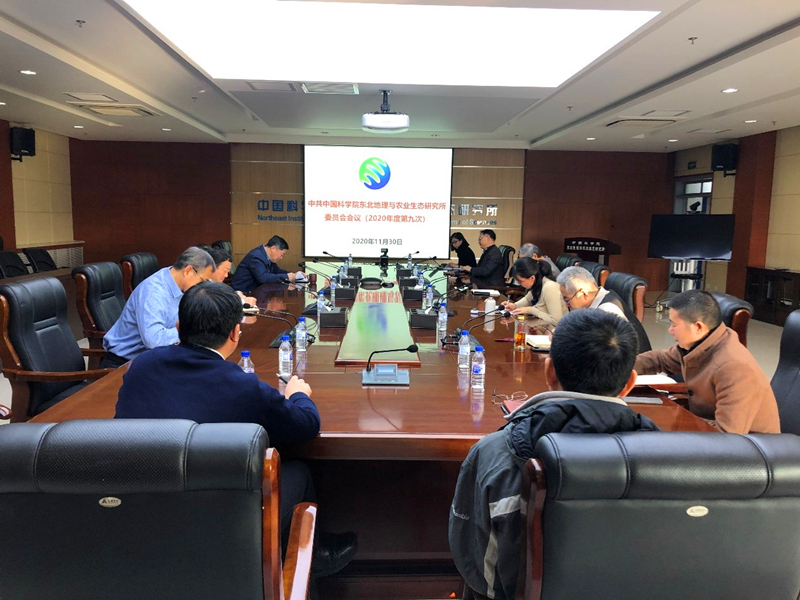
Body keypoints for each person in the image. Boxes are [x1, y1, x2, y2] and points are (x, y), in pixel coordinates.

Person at [115, 282, 357, 576]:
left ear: (178, 326)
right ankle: (309, 559)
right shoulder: (241, 386)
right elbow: (306, 425)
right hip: (217, 520)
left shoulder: (141, 366)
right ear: (234, 333)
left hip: (137, 515)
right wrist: (298, 395)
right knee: (298, 472)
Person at [449, 310, 659, 600]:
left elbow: (473, 561)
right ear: (630, 383)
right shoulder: (667, 455)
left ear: (549, 371)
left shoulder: (494, 452)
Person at [635, 289, 780, 434]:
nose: (670, 330)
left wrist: (680, 419)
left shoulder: (733, 367)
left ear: (698, 327)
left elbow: (728, 435)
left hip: (751, 445)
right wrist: (623, 365)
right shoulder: (702, 344)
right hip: (710, 435)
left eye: (674, 325)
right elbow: (659, 359)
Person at [101, 246, 215, 368]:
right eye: (202, 281)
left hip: (155, 359)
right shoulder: (154, 292)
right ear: (188, 271)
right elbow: (154, 340)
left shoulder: (177, 281)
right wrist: (192, 331)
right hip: (124, 364)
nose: (203, 286)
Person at [556, 265, 651, 351]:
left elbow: (603, 352)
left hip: (634, 362)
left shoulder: (606, 311)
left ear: (583, 293)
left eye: (567, 299)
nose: (566, 305)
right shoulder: (598, 300)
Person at [501, 257, 566, 326]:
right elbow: (527, 300)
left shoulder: (550, 287)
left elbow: (556, 321)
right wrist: (515, 305)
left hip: (555, 329)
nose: (520, 284)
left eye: (520, 281)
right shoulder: (538, 283)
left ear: (532, 278)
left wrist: (531, 310)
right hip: (542, 326)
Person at [231, 235, 305, 293]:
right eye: (282, 254)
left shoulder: (267, 257)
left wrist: (294, 275)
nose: (281, 257)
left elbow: (277, 271)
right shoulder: (256, 257)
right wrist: (287, 276)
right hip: (242, 293)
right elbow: (262, 278)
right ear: (273, 249)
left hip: (255, 292)